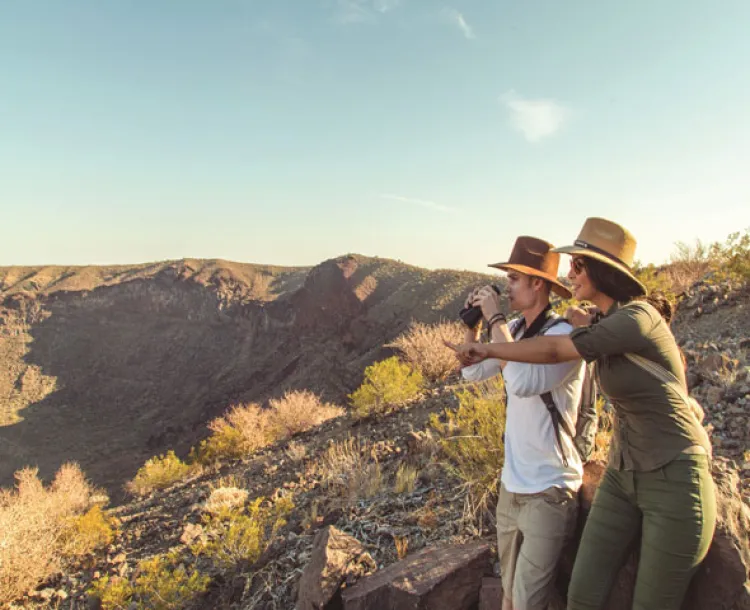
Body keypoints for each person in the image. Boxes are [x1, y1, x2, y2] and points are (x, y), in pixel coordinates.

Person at [447, 218, 716, 610]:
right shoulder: (598, 324)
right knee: (580, 597)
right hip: (621, 473)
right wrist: (478, 334)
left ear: (602, 271)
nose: (571, 272)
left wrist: (493, 336)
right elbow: (474, 373)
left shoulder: (633, 318)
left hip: (667, 476)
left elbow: (544, 360)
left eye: (578, 265)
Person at [459, 236, 586, 610]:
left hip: (549, 490)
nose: (508, 286)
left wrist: (495, 320)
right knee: (510, 598)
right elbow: (471, 373)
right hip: (512, 487)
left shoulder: (563, 337)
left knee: (529, 602)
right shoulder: (513, 329)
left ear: (538, 284)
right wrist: (472, 327)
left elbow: (519, 381)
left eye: (515, 279)